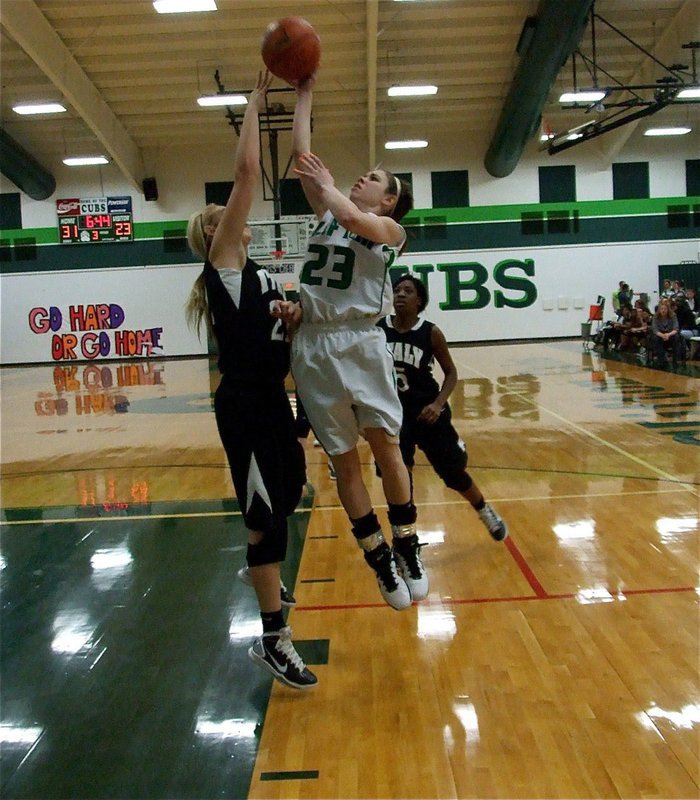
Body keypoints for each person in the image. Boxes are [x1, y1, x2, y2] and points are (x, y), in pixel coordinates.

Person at [184, 70, 316, 690]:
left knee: (290, 492)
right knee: (269, 522)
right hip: (244, 403)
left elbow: (273, 335)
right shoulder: (223, 263)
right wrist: (258, 103)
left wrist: (288, 317)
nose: (226, 217)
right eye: (216, 218)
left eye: (224, 217)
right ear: (211, 238)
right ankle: (273, 638)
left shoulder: (256, 274)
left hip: (270, 397)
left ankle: (259, 561)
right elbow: (245, 178)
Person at [289, 75, 424, 612]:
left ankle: (409, 545)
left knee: (386, 446)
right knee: (344, 462)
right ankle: (378, 556)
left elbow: (349, 214)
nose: (360, 179)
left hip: (362, 342)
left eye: (372, 179)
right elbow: (303, 156)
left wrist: (328, 184)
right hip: (314, 345)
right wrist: (303, 93)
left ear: (389, 200)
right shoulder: (329, 214)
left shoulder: (390, 233)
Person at [377, 274, 507, 541]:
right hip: (394, 415)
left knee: (453, 474)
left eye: (407, 291)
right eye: (397, 290)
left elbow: (451, 373)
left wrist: (438, 404)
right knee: (400, 477)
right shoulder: (379, 329)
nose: (400, 294)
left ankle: (484, 509)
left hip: (427, 414)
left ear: (419, 300)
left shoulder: (430, 332)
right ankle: (406, 536)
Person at [651, 299, 681, 367]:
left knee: (676, 337)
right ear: (659, 310)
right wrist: (662, 335)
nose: (663, 310)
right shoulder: (655, 317)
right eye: (661, 309)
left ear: (668, 310)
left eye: (665, 309)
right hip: (660, 334)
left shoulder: (673, 316)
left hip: (670, 334)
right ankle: (662, 359)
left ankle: (675, 360)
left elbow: (676, 328)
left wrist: (668, 334)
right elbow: (655, 329)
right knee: (656, 338)